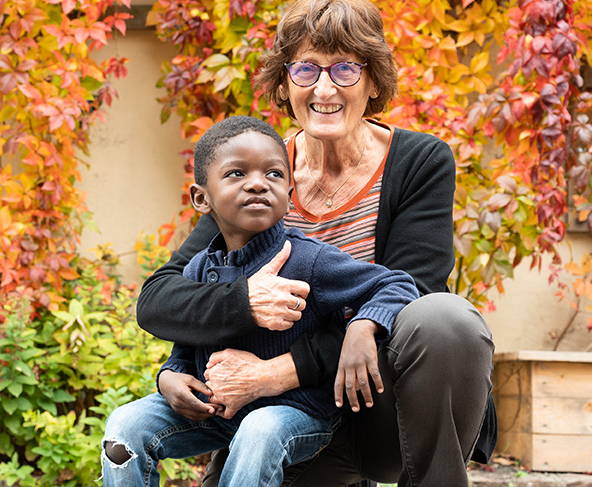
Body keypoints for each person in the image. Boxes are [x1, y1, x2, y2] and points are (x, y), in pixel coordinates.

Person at [136, 0, 497, 485]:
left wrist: (334, 341)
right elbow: (159, 299)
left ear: (372, 82)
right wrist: (241, 305)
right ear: (285, 82)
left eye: (345, 68)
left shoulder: (418, 161)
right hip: (288, 417)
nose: (324, 88)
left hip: (380, 407)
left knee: (445, 319)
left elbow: (414, 291)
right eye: (306, 68)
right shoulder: (261, 176)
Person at [100, 116, 419, 487]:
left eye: (273, 174)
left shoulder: (309, 259)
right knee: (124, 429)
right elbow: (187, 346)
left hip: (297, 412)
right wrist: (169, 376)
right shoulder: (200, 267)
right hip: (216, 410)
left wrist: (365, 325)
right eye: (236, 174)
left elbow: (396, 284)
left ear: (290, 191)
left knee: (259, 430)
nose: (257, 183)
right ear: (202, 198)